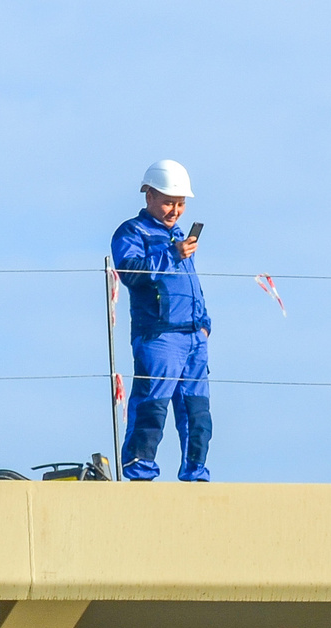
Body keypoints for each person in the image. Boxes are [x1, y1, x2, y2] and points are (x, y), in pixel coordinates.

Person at [111, 159, 212, 482]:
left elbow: (189, 284)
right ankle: (140, 472)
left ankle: (196, 475)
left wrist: (205, 322)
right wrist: (172, 254)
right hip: (159, 335)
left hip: (193, 336)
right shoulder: (132, 231)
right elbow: (130, 272)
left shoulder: (179, 236)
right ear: (149, 196)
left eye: (180, 204)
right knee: (152, 405)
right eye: (169, 202)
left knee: (197, 413)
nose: (175, 210)